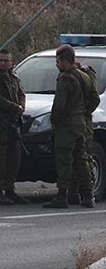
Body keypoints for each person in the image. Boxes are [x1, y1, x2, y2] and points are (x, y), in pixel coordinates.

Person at [44, 45, 93, 208]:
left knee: (64, 159)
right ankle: (87, 195)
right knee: (82, 160)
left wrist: (54, 119)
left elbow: (60, 105)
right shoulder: (84, 76)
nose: (57, 65)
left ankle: (62, 195)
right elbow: (94, 99)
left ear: (64, 61)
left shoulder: (65, 78)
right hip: (81, 123)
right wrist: (84, 112)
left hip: (66, 125)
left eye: (58, 61)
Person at [0, 49, 30, 205]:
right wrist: (15, 107)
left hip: (13, 124)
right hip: (0, 122)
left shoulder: (13, 77)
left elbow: (21, 94)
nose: (3, 63)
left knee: (14, 159)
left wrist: (20, 107)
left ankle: (10, 190)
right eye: (1, 60)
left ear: (11, 62)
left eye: (7, 60)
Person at [69, 62, 100, 205]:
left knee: (83, 158)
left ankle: (87, 193)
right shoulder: (68, 77)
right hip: (74, 123)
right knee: (74, 158)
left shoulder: (85, 77)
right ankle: (74, 191)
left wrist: (84, 112)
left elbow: (95, 99)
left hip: (81, 124)